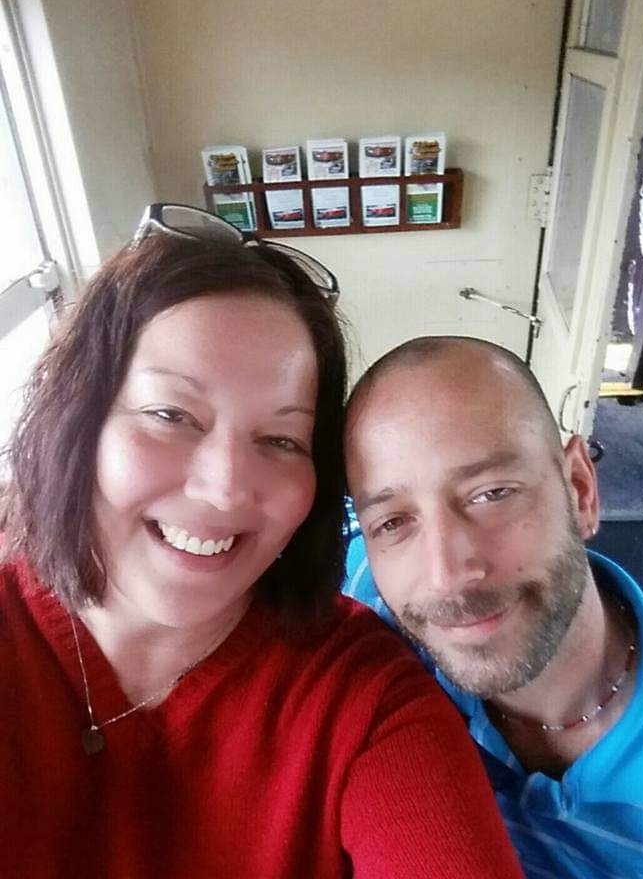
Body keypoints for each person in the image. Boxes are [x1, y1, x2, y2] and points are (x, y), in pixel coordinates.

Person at [0, 209, 523, 879]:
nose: (224, 489)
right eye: (170, 415)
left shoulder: (364, 698)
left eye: (280, 440)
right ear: (79, 417)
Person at [344, 335, 643, 879]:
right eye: (395, 521)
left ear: (579, 490)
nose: (446, 576)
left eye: (491, 494)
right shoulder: (368, 602)